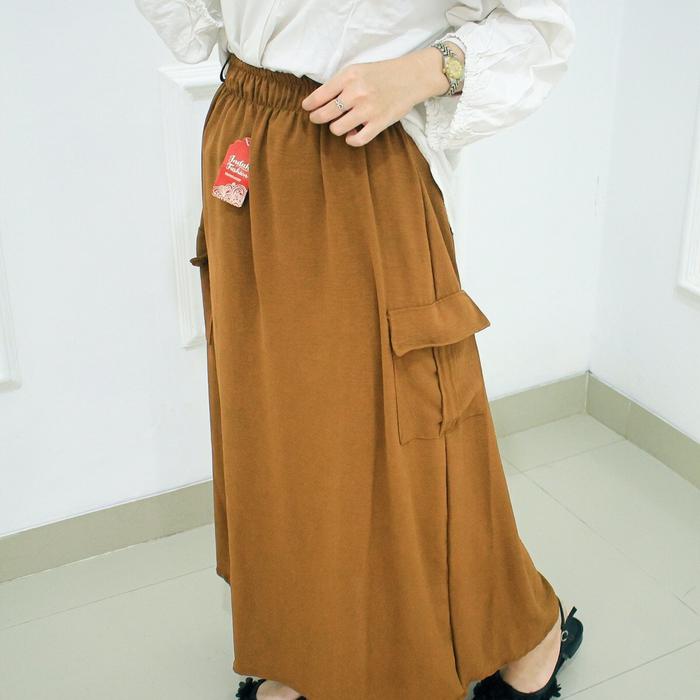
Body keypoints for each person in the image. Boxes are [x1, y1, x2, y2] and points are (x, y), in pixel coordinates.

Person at [135, 2, 583, 699]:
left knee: (412, 435)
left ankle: (525, 627)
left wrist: (424, 71)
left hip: (358, 147)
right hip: (245, 135)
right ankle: (311, 644)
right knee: (276, 432)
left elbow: (536, 28)